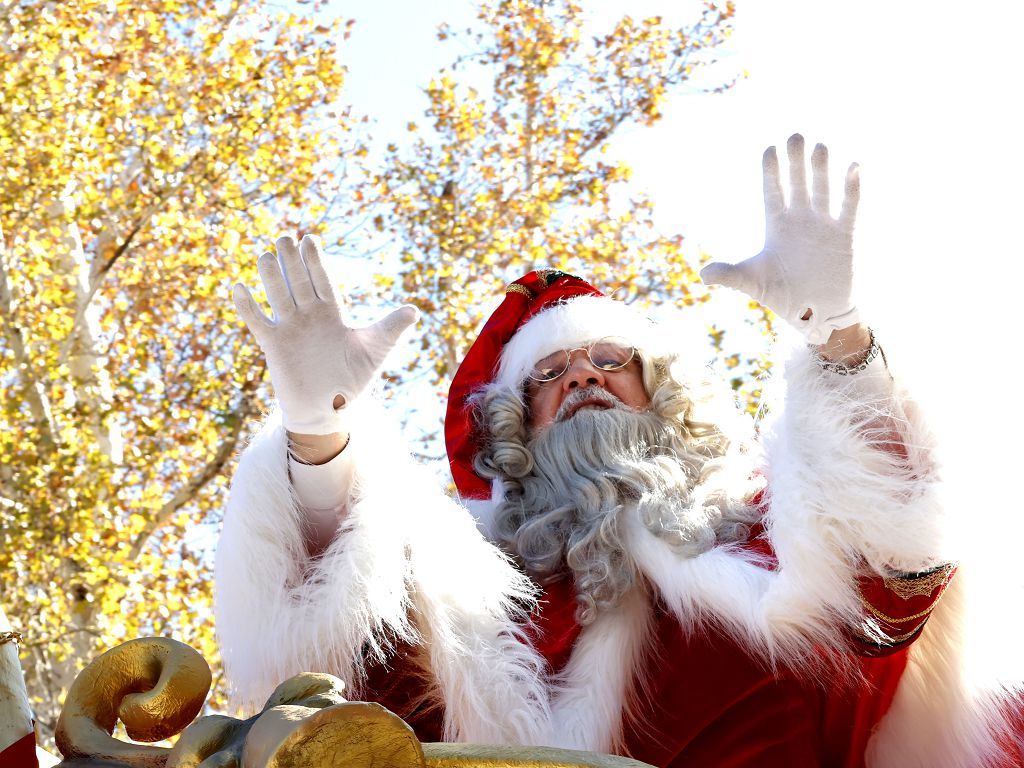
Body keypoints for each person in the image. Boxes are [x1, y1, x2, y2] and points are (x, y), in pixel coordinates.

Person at [214, 136, 1023, 767]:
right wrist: (318, 434)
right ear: (513, 433)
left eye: (611, 362)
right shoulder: (457, 611)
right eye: (551, 375)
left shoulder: (769, 545)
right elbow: (335, 672)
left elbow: (896, 568)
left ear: (664, 399)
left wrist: (839, 336)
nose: (585, 381)